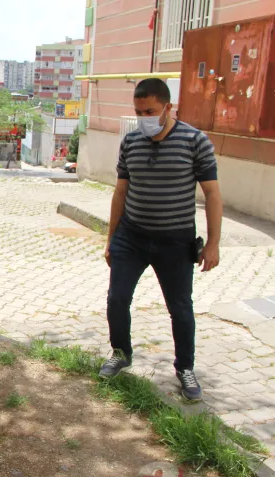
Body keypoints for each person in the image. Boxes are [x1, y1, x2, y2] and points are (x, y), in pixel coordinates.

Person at [100, 78, 223, 403]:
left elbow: (212, 194)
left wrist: (213, 244)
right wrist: (111, 239)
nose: (144, 118)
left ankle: (185, 368)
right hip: (132, 237)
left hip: (175, 241)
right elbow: (120, 192)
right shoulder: (131, 142)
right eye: (139, 112)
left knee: (180, 308)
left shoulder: (195, 141)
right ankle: (121, 352)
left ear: (169, 107)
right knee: (117, 298)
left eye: (150, 111)